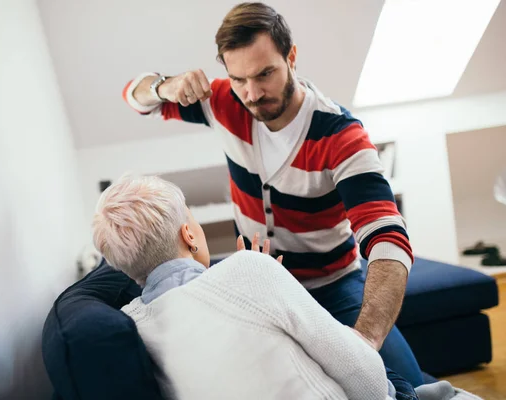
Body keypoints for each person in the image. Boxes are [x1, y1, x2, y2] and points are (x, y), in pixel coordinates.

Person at [122, 1, 423, 388]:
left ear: (291, 57)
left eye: (265, 73)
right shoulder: (223, 103)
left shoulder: (342, 137)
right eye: (238, 78)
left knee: (407, 386)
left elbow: (389, 240)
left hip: (333, 284)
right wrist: (166, 85)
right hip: (254, 283)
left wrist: (364, 340)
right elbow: (135, 97)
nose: (252, 93)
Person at [92, 174, 391, 400]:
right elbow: (367, 379)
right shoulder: (248, 270)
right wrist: (260, 273)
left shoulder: (130, 327)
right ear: (189, 235)